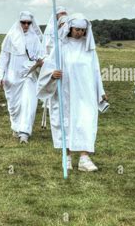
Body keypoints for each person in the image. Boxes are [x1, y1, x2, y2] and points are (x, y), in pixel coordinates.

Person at [37, 13, 107, 172]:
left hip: (86, 92)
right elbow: (49, 67)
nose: (80, 33)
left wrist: (100, 91)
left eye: (83, 30)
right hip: (66, 91)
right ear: (70, 28)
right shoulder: (61, 46)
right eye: (77, 29)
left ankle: (84, 158)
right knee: (66, 122)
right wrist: (52, 74)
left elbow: (95, 71)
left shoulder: (89, 48)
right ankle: (66, 157)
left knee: (86, 121)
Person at [0, 11, 43, 144]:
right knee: (14, 105)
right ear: (19, 22)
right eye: (23, 22)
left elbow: (41, 55)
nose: (26, 25)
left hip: (29, 75)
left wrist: (40, 63)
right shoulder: (11, 36)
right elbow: (4, 57)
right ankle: (16, 127)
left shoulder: (35, 38)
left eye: (29, 23)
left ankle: (25, 132)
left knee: (29, 102)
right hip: (12, 76)